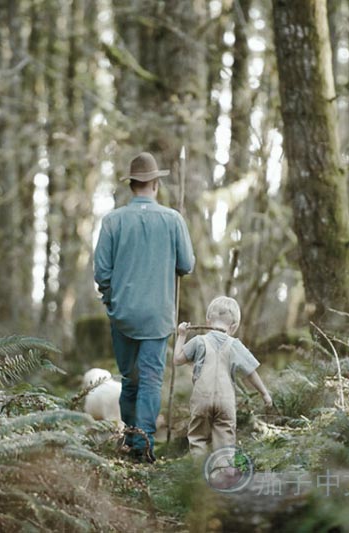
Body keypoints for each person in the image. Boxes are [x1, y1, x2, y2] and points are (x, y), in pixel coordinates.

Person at [93, 151, 195, 463]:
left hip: (123, 313)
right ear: (155, 184)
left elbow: (101, 273)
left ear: (132, 184)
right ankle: (143, 444)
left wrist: (112, 299)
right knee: (150, 379)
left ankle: (130, 437)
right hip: (157, 314)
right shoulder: (172, 219)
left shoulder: (112, 220)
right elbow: (187, 265)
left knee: (129, 380)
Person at [173, 296, 272, 456]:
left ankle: (198, 478)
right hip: (226, 401)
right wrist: (264, 394)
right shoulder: (235, 345)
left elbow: (177, 359)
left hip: (201, 400)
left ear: (208, 320)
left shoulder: (199, 341)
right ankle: (223, 476)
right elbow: (251, 373)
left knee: (198, 439)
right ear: (233, 326)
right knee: (225, 443)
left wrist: (182, 335)